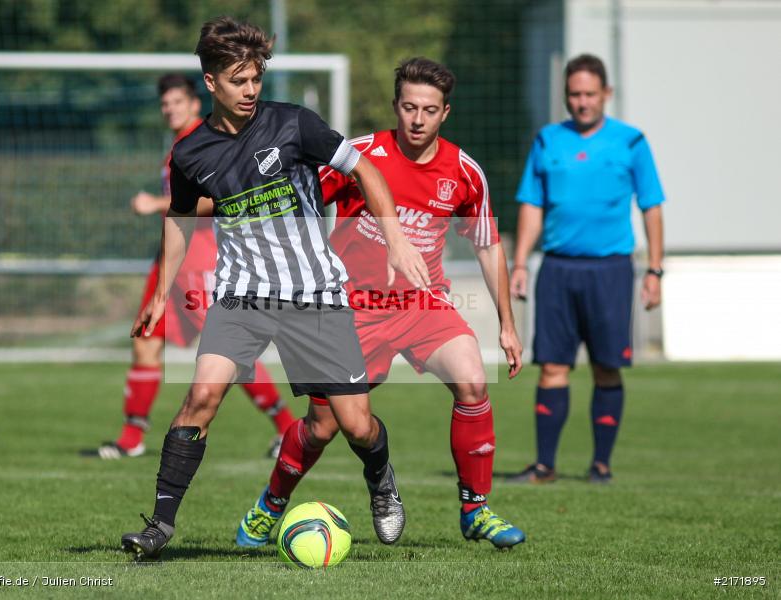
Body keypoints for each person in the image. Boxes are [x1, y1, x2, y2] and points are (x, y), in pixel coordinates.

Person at [120, 16, 430, 560]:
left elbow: (366, 171)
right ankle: (160, 525)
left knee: (355, 425)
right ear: (210, 82)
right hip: (242, 295)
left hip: (315, 294)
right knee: (201, 395)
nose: (250, 90)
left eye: (256, 78)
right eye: (238, 80)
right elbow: (180, 219)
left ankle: (381, 480)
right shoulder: (191, 154)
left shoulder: (293, 125)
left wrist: (397, 241)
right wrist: (158, 294)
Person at [235, 57, 526, 550]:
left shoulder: (463, 172)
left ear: (445, 113)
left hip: (422, 306)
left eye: (429, 110)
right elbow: (301, 203)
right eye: (409, 107)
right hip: (350, 310)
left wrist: (507, 324)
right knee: (324, 427)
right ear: (396, 106)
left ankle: (476, 509)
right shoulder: (360, 156)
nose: (417, 119)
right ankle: (272, 503)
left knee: (473, 380)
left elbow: (487, 244)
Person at [91, 73, 294, 461]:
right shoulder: (176, 146)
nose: (170, 110)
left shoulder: (205, 143)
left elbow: (220, 200)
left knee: (232, 353)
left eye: (177, 103)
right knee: (146, 343)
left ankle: (286, 427)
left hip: (203, 256)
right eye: (165, 104)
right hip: (169, 259)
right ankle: (131, 438)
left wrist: (157, 204)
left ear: (195, 104)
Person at [508, 54, 665, 484]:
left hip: (611, 270)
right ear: (565, 95)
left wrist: (654, 270)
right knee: (553, 366)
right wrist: (520, 262)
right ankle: (544, 465)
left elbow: (651, 206)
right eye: (574, 94)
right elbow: (532, 205)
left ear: (606, 94)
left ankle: (601, 465)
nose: (582, 103)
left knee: (606, 367)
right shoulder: (547, 141)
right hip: (557, 269)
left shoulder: (631, 142)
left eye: (590, 94)